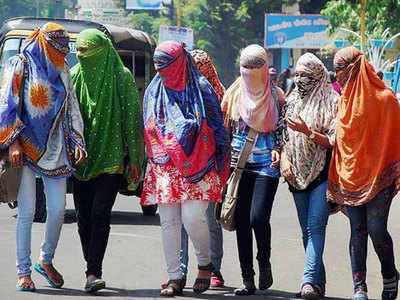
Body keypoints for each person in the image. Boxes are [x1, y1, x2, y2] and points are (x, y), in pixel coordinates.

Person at [0, 22, 86, 291]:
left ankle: (45, 260)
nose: (61, 55)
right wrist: (12, 142)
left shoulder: (61, 69)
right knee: (26, 212)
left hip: (57, 148)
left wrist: (77, 140)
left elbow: (71, 105)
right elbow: (7, 103)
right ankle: (23, 271)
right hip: (24, 149)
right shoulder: (20, 64)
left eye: (64, 51)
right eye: (56, 49)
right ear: (43, 44)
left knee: (58, 211)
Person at [141, 41, 230, 297]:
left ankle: (205, 263)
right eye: (157, 65)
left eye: (165, 64)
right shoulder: (154, 90)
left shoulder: (201, 88)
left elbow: (217, 127)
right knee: (168, 221)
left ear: (180, 62)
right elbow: (147, 122)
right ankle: (174, 277)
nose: (161, 70)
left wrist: (222, 163)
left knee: (193, 218)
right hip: (165, 164)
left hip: (199, 163)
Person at [71, 29, 144, 293]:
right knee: (83, 218)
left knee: (100, 214)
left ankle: (93, 272)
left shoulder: (121, 78)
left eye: (87, 51)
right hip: (80, 160)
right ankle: (90, 266)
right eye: (78, 52)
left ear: (102, 51)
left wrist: (136, 157)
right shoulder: (74, 77)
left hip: (112, 158)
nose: (82, 56)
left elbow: (132, 119)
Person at [328, 46, 400, 300]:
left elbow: (394, 138)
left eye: (341, 69)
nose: (337, 75)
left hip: (380, 174)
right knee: (357, 230)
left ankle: (390, 274)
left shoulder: (386, 99)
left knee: (377, 228)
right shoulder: (343, 101)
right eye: (335, 69)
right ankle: (359, 286)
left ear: (354, 68)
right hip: (351, 175)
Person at [221, 44, 284, 296]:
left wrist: (280, 149)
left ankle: (264, 260)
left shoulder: (277, 96)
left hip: (267, 165)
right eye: (244, 67)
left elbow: (283, 131)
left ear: (264, 68)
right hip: (239, 165)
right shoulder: (234, 94)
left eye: (254, 67)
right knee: (242, 221)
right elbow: (225, 129)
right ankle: (247, 278)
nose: (249, 72)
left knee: (258, 218)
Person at [280, 53, 339, 299]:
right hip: (295, 174)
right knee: (306, 231)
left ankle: (307, 282)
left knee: (316, 227)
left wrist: (308, 131)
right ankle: (317, 282)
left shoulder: (333, 101)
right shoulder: (291, 100)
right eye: (299, 74)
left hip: (322, 173)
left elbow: (335, 140)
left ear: (318, 76)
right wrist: (283, 158)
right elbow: (281, 135)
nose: (301, 79)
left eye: (307, 75)